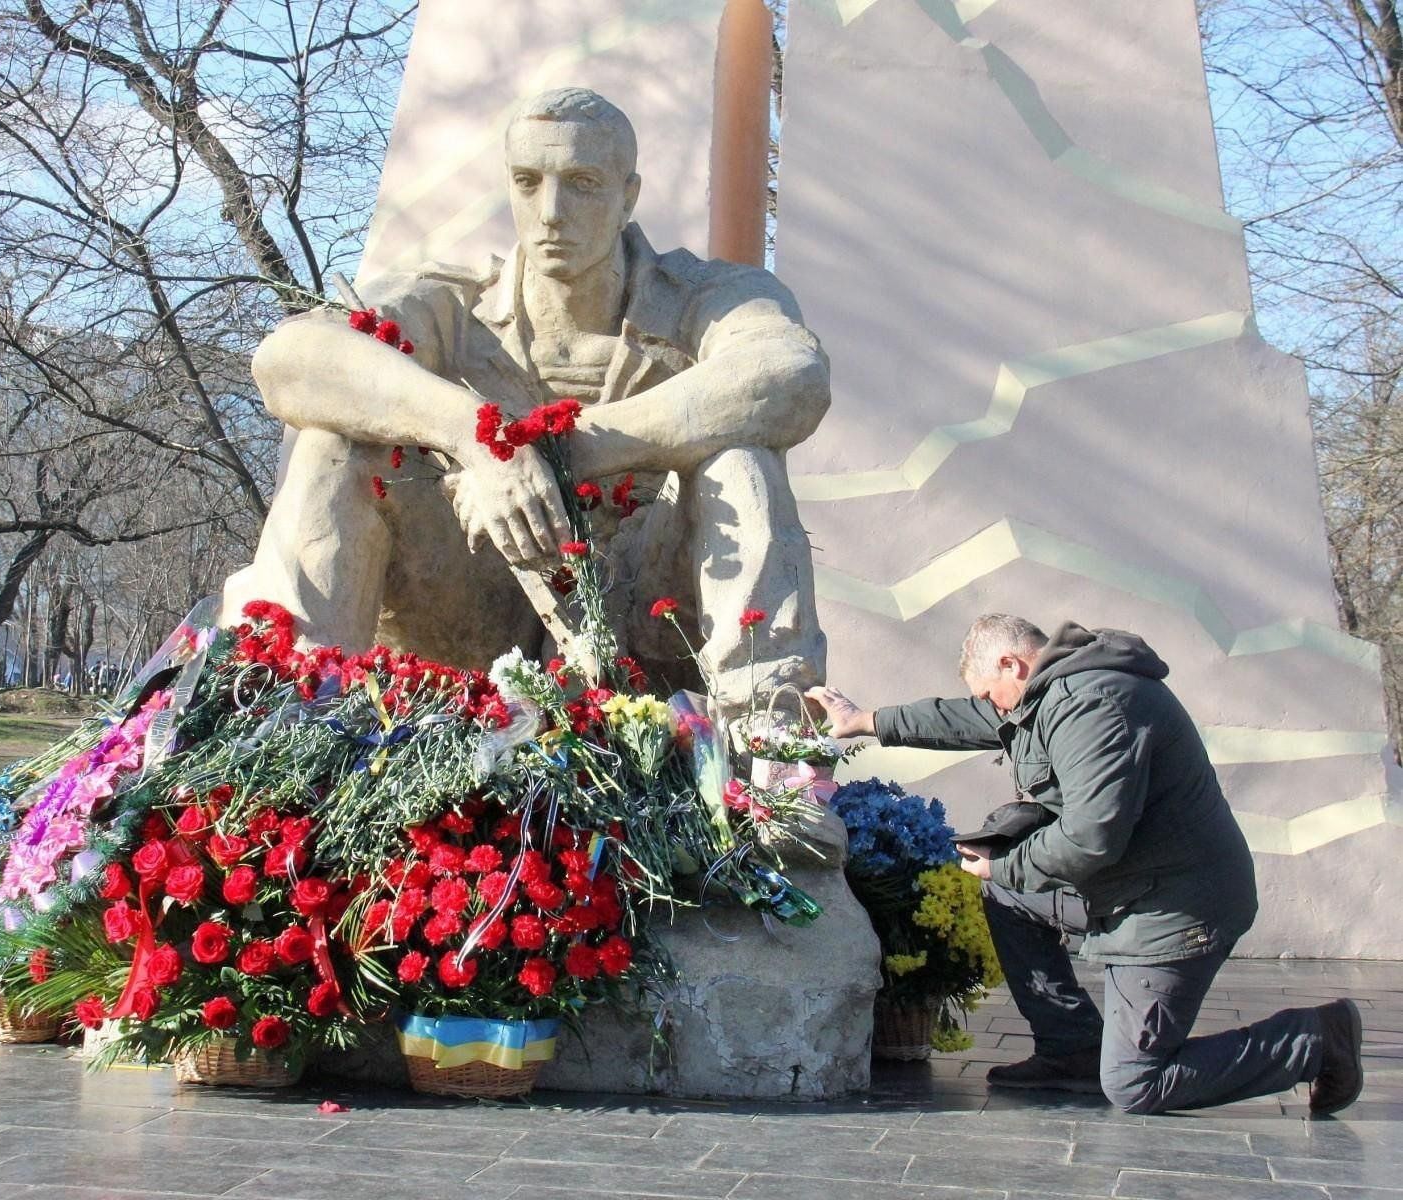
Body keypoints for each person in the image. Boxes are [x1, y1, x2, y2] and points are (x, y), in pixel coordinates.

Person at [222, 87, 828, 705]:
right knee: (338, 443)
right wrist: (479, 438)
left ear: (628, 197)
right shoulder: (452, 305)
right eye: (528, 181)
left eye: (582, 182)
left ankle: (772, 741)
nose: (551, 212)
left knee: (739, 458)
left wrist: (569, 451)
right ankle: (286, 717)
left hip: (650, 613)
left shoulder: (710, 296)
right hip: (477, 608)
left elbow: (789, 373)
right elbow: (289, 361)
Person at [806, 614, 1365, 1115]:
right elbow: (966, 716)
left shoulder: (1096, 706)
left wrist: (1005, 866)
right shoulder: (1048, 691)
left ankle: (1316, 1038)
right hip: (1128, 889)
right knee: (1010, 900)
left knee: (1137, 1084)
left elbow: (1093, 836)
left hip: (1176, 907)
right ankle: (1071, 1050)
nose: (993, 708)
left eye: (992, 693)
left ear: (1012, 663)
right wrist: (867, 720)